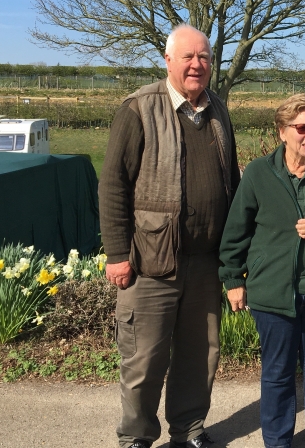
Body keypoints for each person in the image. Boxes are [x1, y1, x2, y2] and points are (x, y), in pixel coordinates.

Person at [99, 24, 240, 448]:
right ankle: (137, 435)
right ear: (168, 61)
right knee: (144, 358)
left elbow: (229, 178)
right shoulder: (139, 108)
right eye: (188, 57)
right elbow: (112, 184)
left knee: (201, 356)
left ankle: (189, 429)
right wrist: (117, 254)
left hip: (205, 262)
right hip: (151, 260)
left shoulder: (218, 109)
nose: (197, 65)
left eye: (204, 57)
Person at [219, 94, 305, 448]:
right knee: (277, 374)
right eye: (301, 128)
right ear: (283, 131)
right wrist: (233, 279)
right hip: (274, 293)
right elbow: (236, 230)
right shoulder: (258, 173)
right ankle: (278, 440)